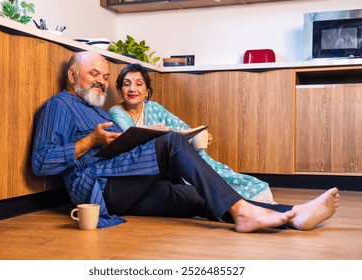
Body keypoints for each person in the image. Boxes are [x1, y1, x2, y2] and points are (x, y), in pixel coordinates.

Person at [31, 51, 340, 233]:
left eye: (104, 75)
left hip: (124, 182)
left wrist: (128, 140)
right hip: (98, 189)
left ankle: (293, 215)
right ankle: (246, 213)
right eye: (93, 74)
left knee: (192, 198)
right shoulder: (58, 106)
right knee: (171, 143)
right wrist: (91, 140)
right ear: (72, 75)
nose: (100, 80)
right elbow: (41, 162)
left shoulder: (94, 109)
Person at [109, 63, 275, 204]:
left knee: (212, 168)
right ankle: (230, 202)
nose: (132, 89)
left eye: (138, 84)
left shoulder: (155, 108)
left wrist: (198, 135)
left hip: (170, 158)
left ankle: (246, 199)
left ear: (146, 90)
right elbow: (132, 139)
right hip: (146, 166)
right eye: (126, 84)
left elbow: (182, 127)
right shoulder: (117, 111)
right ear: (120, 89)